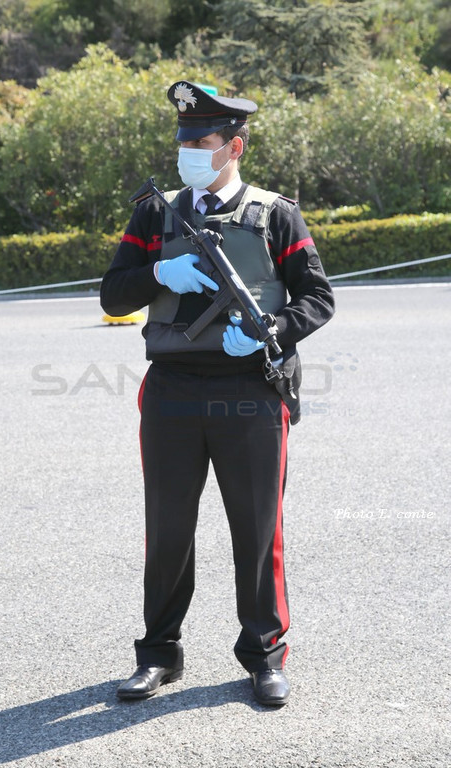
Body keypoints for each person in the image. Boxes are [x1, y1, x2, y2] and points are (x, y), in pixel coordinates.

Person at [100, 80, 335, 706]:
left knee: (258, 530)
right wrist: (158, 271)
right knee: (167, 528)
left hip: (251, 390)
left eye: (201, 144)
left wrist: (270, 332)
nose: (189, 154)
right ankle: (158, 654)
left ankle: (264, 655)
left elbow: (318, 298)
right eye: (184, 143)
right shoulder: (156, 214)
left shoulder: (275, 214)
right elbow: (113, 295)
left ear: (235, 147)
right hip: (172, 391)